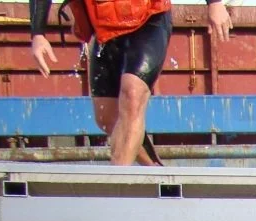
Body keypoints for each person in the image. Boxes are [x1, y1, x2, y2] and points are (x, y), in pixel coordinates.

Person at [29, 0, 233, 167]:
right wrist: (38, 34)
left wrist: (214, 3)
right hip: (105, 29)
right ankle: (156, 173)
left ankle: (116, 185)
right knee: (107, 119)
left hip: (148, 19)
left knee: (132, 93)